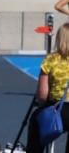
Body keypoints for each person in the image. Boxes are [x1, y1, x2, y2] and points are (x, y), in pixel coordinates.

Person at [26, 23, 69, 153]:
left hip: (59, 108)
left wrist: (42, 104)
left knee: (36, 120)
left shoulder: (51, 59)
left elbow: (43, 94)